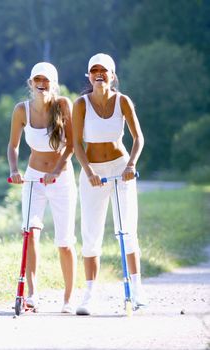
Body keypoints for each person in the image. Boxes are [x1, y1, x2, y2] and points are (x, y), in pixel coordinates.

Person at [72, 53, 147, 315]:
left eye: (104, 70)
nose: (99, 74)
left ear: (113, 75)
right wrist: (89, 170)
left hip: (120, 167)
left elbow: (138, 139)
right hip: (92, 172)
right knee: (90, 234)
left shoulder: (122, 101)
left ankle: (136, 290)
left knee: (126, 230)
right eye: (94, 71)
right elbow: (76, 144)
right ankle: (90, 294)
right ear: (89, 76)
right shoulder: (81, 104)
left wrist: (131, 165)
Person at [7, 62, 77, 313]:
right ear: (30, 83)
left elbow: (71, 145)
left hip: (62, 179)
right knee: (30, 233)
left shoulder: (63, 105)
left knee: (64, 242)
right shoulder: (21, 110)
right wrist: (14, 170)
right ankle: (32, 295)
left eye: (46, 80)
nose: (42, 83)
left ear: (53, 83)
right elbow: (13, 146)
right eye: (37, 79)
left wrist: (57, 170)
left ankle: (68, 299)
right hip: (34, 178)